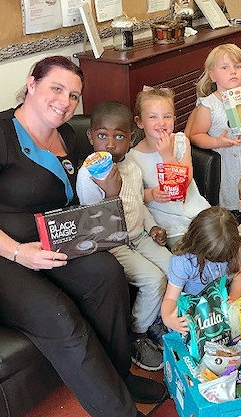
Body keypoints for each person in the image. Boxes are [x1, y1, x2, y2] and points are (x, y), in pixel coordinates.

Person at [0, 56, 174, 417]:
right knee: (59, 317)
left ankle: (117, 376)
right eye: (56, 89)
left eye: (73, 95)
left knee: (106, 274)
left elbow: (99, 189)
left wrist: (109, 182)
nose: (65, 102)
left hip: (50, 239)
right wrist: (16, 252)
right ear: (31, 85)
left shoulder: (69, 136)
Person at [76, 101, 172, 372]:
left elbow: (138, 205)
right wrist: (111, 191)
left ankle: (159, 318)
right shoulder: (88, 175)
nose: (109, 144)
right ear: (90, 137)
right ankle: (138, 333)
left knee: (174, 269)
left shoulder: (132, 166)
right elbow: (96, 224)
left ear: (131, 139)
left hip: (139, 235)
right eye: (102, 135)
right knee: (154, 280)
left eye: (119, 136)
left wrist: (152, 226)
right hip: (113, 245)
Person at [187, 43, 241, 215]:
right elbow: (195, 135)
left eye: (238, 66)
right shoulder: (209, 105)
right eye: (225, 67)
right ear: (212, 75)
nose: (233, 71)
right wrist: (216, 142)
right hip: (224, 163)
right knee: (228, 204)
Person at [128, 86, 210, 248]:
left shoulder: (181, 141)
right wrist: (151, 194)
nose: (161, 123)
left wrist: (168, 156)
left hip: (197, 212)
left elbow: (184, 182)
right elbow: (134, 196)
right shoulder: (133, 157)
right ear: (140, 122)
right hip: (168, 222)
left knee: (222, 240)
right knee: (190, 255)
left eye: (167, 116)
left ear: (174, 118)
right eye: (153, 117)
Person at [161, 206, 241, 333]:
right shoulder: (184, 262)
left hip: (219, 308)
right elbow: (170, 299)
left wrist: (234, 298)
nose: (220, 262)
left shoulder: (229, 249)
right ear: (199, 246)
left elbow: (239, 275)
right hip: (193, 311)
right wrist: (168, 319)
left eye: (223, 259)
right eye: (214, 259)